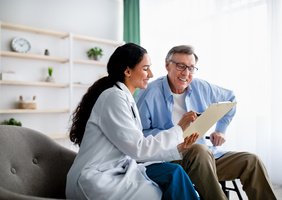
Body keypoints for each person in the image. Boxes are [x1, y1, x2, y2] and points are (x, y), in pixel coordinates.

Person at [136, 45, 277, 200]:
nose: (186, 73)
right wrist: (177, 131)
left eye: (191, 68)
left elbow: (230, 99)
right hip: (172, 157)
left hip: (207, 157)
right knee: (199, 150)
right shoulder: (150, 92)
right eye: (180, 66)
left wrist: (220, 130)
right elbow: (140, 135)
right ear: (167, 65)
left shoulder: (201, 87)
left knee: (251, 162)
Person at [66, 43, 200, 200]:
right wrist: (179, 129)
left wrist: (178, 148)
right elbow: (138, 149)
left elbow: (137, 148)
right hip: (95, 179)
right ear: (127, 71)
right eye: (145, 68)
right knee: (165, 187)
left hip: (118, 170)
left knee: (174, 175)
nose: (151, 74)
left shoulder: (125, 97)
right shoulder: (113, 97)